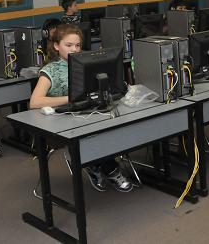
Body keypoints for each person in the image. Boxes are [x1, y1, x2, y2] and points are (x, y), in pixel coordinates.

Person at [29, 24, 133, 192]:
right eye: (68, 45)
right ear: (56, 46)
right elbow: (34, 102)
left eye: (77, 45)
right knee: (94, 134)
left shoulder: (86, 62)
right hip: (61, 124)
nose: (74, 49)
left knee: (113, 126)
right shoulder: (50, 70)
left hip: (88, 113)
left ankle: (96, 165)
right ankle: (110, 169)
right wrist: (69, 99)